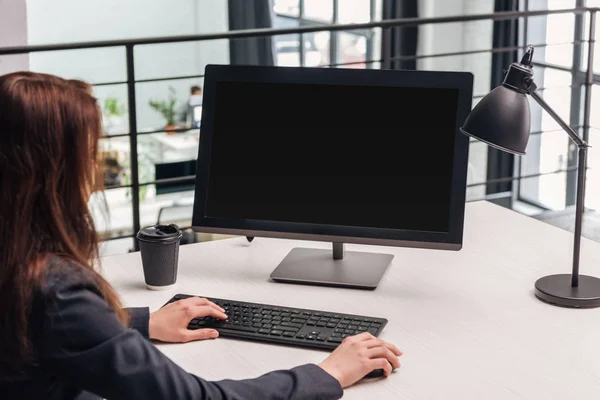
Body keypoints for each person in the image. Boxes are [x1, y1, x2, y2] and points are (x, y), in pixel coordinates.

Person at [0, 72, 402, 400]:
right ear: (56, 173)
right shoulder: (54, 290)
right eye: (89, 153)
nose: (96, 167)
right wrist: (328, 374)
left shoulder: (16, 262)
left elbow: (53, 335)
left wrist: (140, 323)